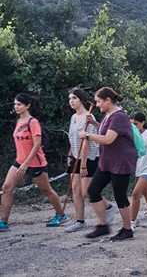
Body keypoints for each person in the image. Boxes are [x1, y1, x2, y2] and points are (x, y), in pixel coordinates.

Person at [0, 93, 69, 231]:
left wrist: (27, 163)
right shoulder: (18, 122)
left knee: (46, 190)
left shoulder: (33, 122)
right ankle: (3, 222)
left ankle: (61, 215)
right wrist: (22, 162)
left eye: (19, 104)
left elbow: (36, 144)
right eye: (15, 104)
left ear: (27, 106)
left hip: (35, 162)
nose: (16, 107)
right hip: (19, 161)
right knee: (7, 188)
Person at [79, 87, 137, 241]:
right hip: (107, 162)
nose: (97, 105)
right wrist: (94, 123)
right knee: (93, 190)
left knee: (120, 196)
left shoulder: (119, 116)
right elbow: (105, 132)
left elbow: (108, 139)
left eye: (99, 102)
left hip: (121, 162)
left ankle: (127, 229)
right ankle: (103, 225)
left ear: (108, 100)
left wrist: (87, 135)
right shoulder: (108, 115)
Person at [64, 88, 103, 233]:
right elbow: (73, 138)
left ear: (81, 99)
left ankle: (107, 206)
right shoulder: (74, 118)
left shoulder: (89, 117)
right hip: (76, 156)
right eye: (70, 99)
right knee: (75, 189)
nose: (71, 101)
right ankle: (80, 221)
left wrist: (83, 165)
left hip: (89, 157)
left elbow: (87, 141)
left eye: (74, 98)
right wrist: (70, 155)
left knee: (87, 192)